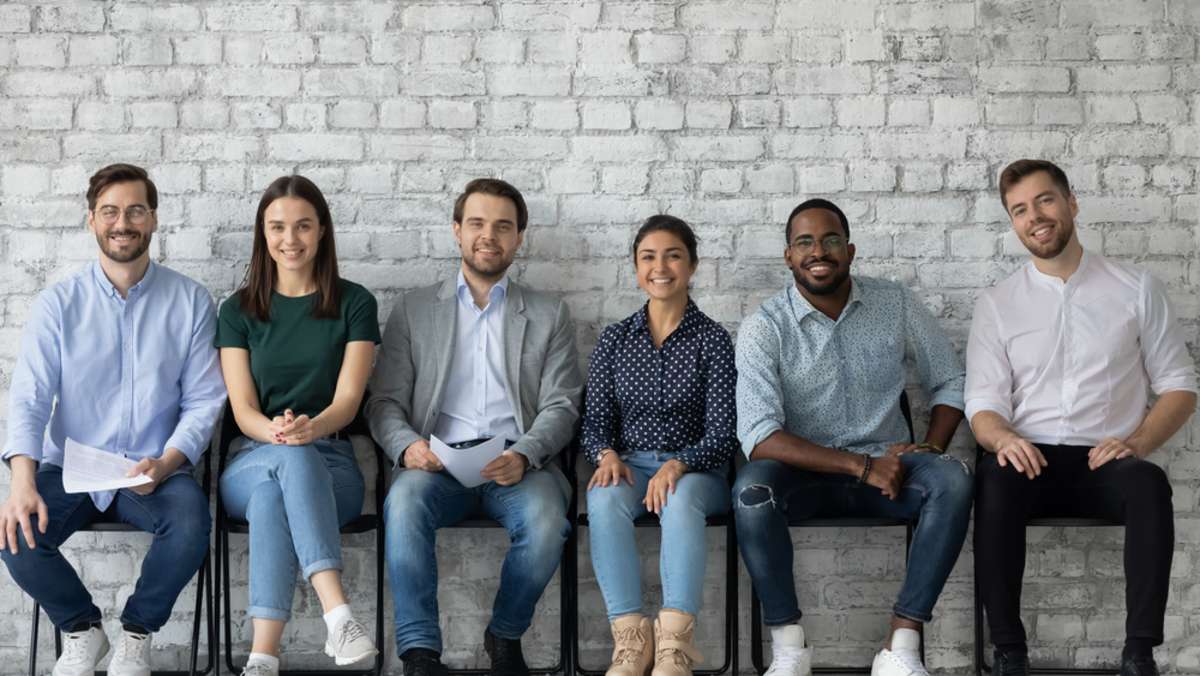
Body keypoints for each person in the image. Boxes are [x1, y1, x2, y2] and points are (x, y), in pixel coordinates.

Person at [967, 159, 1197, 676]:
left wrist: (1136, 443)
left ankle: (1139, 654)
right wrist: (1002, 438)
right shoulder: (998, 303)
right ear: (1013, 223)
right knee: (993, 480)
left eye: (1045, 200)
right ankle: (1009, 654)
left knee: (1148, 483)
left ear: (1071, 203)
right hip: (1030, 458)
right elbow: (982, 405)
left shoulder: (1136, 288)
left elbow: (1180, 387)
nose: (1035, 217)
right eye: (1020, 210)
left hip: (1106, 457)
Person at [0, 163, 225, 676]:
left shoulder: (190, 301)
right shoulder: (58, 304)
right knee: (13, 532)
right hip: (71, 469)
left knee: (190, 526)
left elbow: (204, 401)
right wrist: (21, 481)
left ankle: (136, 635)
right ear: (92, 220)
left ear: (153, 219)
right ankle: (81, 629)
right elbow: (31, 397)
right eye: (110, 212)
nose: (122, 222)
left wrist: (166, 464)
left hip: (154, 468)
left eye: (134, 210)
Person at [733, 198, 973, 676]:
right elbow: (759, 436)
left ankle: (900, 648)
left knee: (954, 480)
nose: (817, 251)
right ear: (788, 257)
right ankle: (789, 651)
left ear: (850, 250)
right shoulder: (765, 327)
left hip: (892, 475)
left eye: (830, 240)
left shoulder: (895, 303)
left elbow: (950, 379)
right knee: (750, 490)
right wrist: (860, 466)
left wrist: (930, 446)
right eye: (804, 242)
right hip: (803, 478)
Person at [367, 178, 582, 676]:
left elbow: (561, 405)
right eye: (478, 224)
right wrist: (409, 449)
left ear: (519, 238)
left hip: (518, 463)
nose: (490, 235)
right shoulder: (416, 309)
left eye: (503, 226)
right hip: (437, 462)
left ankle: (504, 636)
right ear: (457, 231)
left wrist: (525, 454)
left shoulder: (549, 314)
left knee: (549, 522)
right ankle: (420, 654)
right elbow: (384, 403)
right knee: (403, 503)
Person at [216, 175, 380, 675]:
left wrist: (311, 429)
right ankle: (338, 613)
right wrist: (282, 434)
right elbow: (243, 410)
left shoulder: (355, 303)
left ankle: (262, 657)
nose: (291, 239)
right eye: (278, 227)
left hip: (333, 468)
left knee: (274, 495)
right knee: (280, 465)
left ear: (323, 231)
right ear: (263, 234)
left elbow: (349, 401)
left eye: (303, 226)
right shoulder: (238, 310)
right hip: (252, 457)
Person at [582, 215, 737, 676]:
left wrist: (680, 464)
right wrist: (606, 454)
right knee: (604, 498)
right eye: (648, 256)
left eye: (673, 255)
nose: (660, 266)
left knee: (681, 496)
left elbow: (725, 432)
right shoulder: (614, 339)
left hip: (698, 473)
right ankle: (631, 642)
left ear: (692, 265)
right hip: (630, 466)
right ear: (636, 268)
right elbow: (594, 422)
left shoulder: (713, 340)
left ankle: (674, 646)